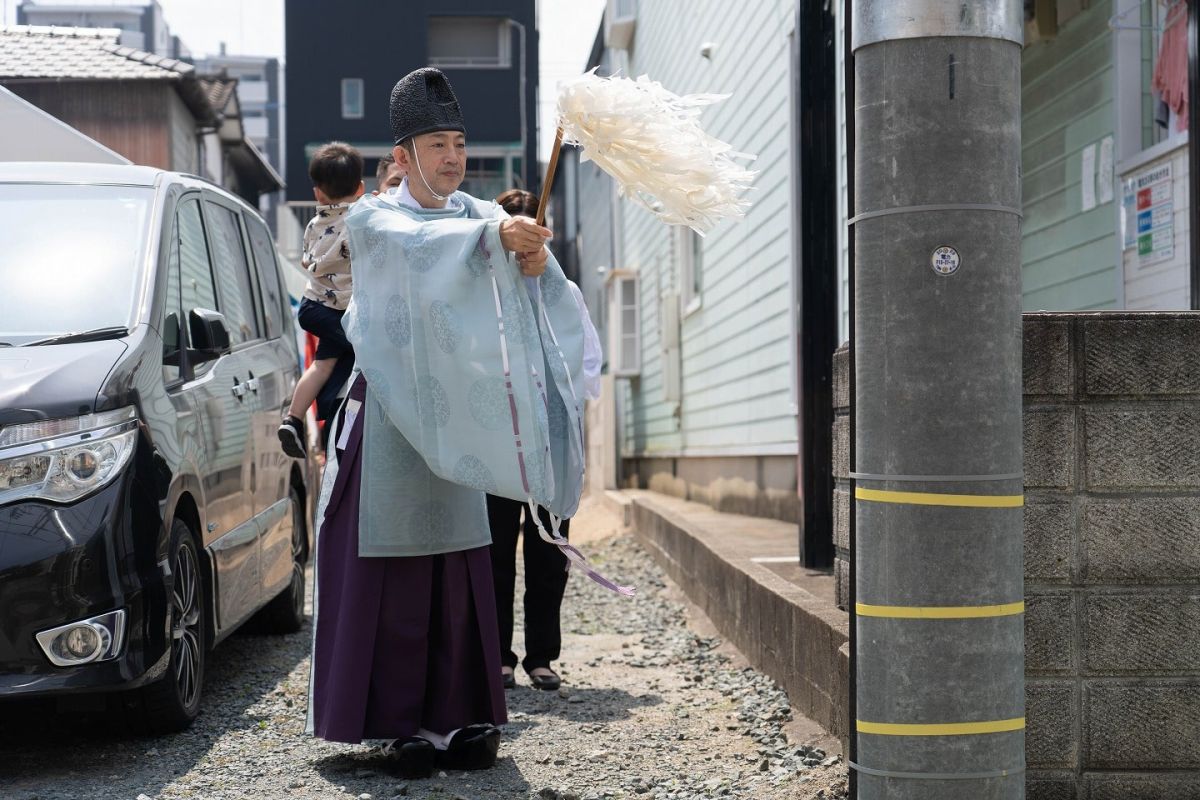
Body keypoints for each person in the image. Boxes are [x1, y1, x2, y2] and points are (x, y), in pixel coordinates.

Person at [306, 68, 591, 780]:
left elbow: (525, 293)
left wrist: (532, 262)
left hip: (458, 417)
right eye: (437, 144)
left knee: (461, 572)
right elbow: (418, 253)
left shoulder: (477, 214)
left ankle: (464, 717)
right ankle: (398, 723)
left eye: (459, 143)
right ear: (401, 157)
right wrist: (497, 240)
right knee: (397, 573)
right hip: (394, 420)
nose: (453, 157)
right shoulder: (374, 217)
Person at [487, 189, 602, 692]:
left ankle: (541, 656)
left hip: (551, 440)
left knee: (549, 547)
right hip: (495, 441)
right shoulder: (483, 292)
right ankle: (497, 654)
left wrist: (558, 400)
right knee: (492, 552)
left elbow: (588, 362)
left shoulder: (565, 292)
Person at [278, 142, 363, 457]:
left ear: (317, 193)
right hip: (342, 313)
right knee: (366, 348)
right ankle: (325, 418)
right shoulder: (360, 219)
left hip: (313, 306)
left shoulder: (314, 224)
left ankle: (293, 418)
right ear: (360, 187)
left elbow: (305, 262)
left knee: (322, 365)